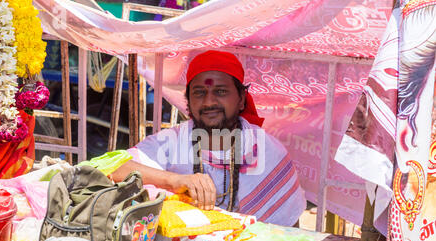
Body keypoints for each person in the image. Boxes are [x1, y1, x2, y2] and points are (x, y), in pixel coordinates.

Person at [112, 50, 306, 227]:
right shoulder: (172, 141)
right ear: (188, 101)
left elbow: (290, 227)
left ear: (241, 100)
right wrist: (175, 180)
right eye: (199, 93)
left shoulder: (267, 150)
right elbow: (112, 168)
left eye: (221, 92)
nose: (209, 102)